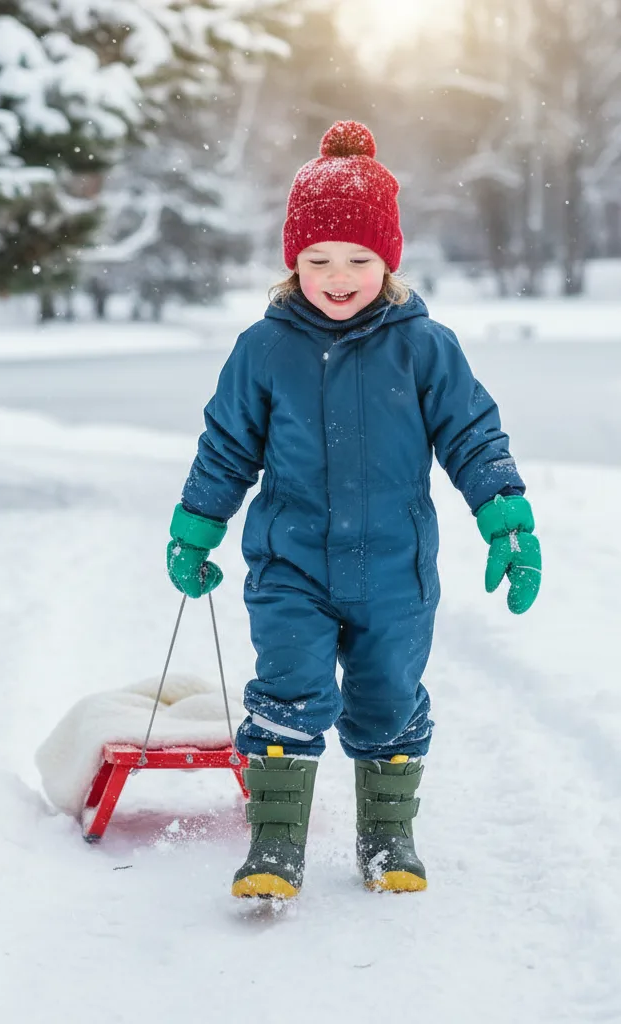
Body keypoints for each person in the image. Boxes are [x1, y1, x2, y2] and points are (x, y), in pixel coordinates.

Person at [166, 121, 542, 899]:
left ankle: (387, 837)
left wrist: (505, 516)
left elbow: (472, 434)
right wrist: (196, 526)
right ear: (292, 263)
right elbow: (227, 446)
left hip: (396, 573)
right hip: (291, 565)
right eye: (318, 260)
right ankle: (274, 846)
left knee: (388, 700)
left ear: (389, 261)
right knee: (288, 690)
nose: (338, 277)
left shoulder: (424, 347)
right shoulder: (264, 350)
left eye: (359, 260)